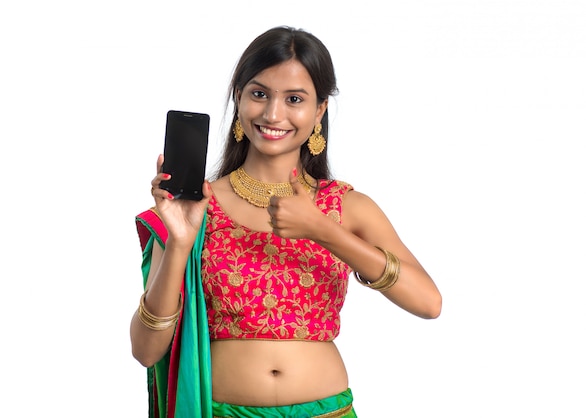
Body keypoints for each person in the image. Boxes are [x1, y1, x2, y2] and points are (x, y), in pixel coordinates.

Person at [131, 25, 442, 418]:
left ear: (319, 112)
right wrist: (179, 242)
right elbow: (145, 352)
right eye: (259, 94)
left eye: (294, 99)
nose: (273, 113)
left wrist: (324, 231)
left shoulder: (346, 207)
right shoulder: (195, 207)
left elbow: (429, 303)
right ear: (239, 99)